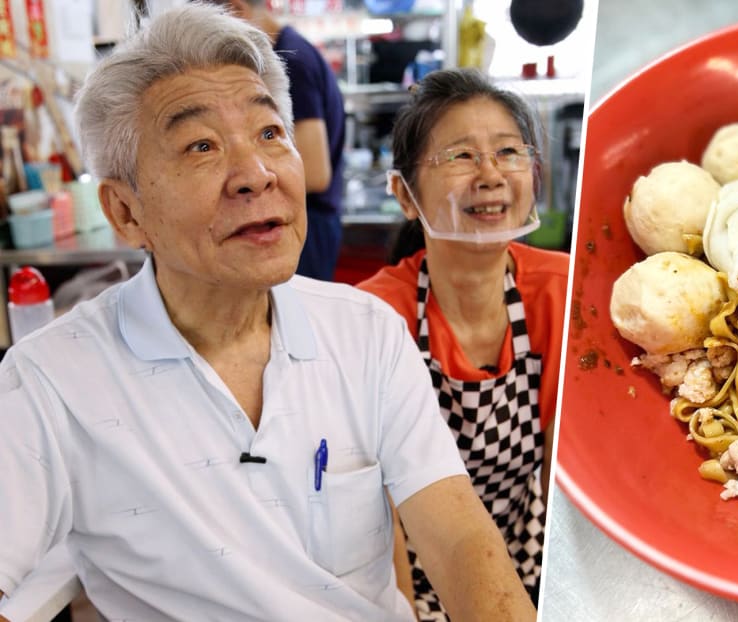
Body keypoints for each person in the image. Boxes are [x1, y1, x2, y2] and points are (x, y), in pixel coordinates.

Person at [0, 5, 537, 621]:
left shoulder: (366, 332)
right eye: (200, 145)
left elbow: (459, 537)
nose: (256, 174)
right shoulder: (49, 380)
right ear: (125, 212)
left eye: (269, 134)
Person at [357, 67, 570, 620]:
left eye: (507, 152)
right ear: (405, 195)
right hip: (404, 571)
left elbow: (560, 472)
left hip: (525, 554)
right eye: (460, 156)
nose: (491, 175)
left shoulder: (563, 291)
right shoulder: (373, 317)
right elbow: (374, 513)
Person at [210, 0, 346, 281]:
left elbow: (316, 172)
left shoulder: (292, 61)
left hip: (309, 222)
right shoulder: (292, 51)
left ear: (235, 10)